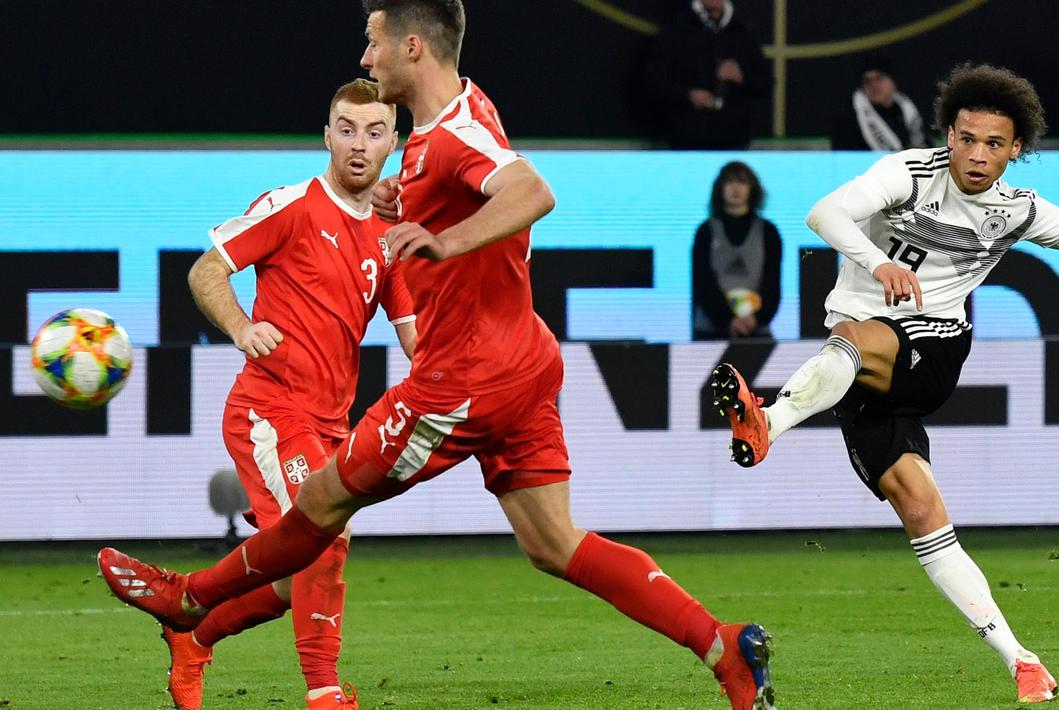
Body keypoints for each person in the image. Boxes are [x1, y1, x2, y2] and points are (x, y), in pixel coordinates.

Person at [97, 2, 776, 709]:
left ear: (412, 46)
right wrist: (414, 207)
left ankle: (189, 602)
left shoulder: (451, 135)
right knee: (554, 543)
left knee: (321, 505)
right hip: (525, 362)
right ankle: (722, 646)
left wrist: (445, 240)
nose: (367, 59)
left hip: (465, 378)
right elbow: (465, 192)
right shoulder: (452, 121)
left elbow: (532, 191)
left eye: (374, 43)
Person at [709, 63, 1059, 704]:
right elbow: (825, 214)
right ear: (949, 136)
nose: (978, 155)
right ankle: (1023, 662)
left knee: (857, 336)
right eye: (967, 139)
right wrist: (877, 261)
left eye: (994, 144)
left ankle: (767, 422)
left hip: (932, 348)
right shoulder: (908, 174)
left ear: (1016, 149)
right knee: (921, 512)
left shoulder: (1016, 209)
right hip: (858, 379)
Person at [166, 78, 417, 710]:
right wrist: (241, 327)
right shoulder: (292, 206)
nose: (358, 144)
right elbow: (206, 270)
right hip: (270, 410)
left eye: (374, 132)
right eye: (347, 129)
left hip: (331, 425)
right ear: (327, 136)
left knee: (289, 581)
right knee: (323, 541)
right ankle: (323, 691)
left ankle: (194, 632)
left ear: (391, 144)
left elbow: (417, 338)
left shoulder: (388, 238)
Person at [644, 0, 772, 149]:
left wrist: (741, 77)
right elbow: (653, 83)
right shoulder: (675, 31)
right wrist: (688, 96)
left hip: (733, 141)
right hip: (686, 141)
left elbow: (766, 84)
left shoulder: (742, 33)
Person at [692, 161, 782, 340]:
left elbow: (772, 283)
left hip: (756, 332)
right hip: (711, 333)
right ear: (720, 188)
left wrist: (756, 319)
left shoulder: (768, 232)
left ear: (752, 189)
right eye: (729, 182)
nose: (736, 188)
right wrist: (727, 319)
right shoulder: (705, 231)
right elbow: (702, 281)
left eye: (742, 182)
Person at [831, 55, 930, 151]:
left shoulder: (908, 111)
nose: (873, 85)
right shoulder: (850, 121)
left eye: (879, 78)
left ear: (893, 82)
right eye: (867, 81)